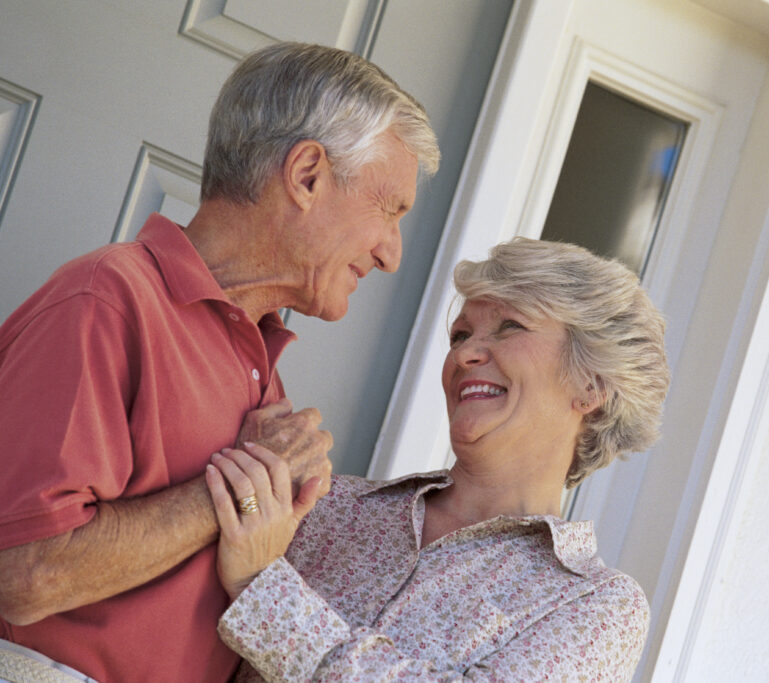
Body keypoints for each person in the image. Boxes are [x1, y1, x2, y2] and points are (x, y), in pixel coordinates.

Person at [0, 42, 439, 682]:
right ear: (308, 173)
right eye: (389, 209)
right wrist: (241, 488)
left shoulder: (262, 367)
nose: (391, 254)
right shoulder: (108, 298)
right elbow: (25, 571)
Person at [205, 237, 670, 681]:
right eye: (460, 335)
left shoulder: (594, 605)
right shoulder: (327, 502)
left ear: (592, 385)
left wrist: (260, 588)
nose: (464, 353)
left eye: (510, 327)